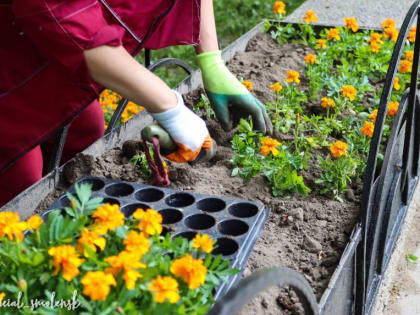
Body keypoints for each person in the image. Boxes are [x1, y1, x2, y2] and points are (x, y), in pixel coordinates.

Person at [0, 0, 272, 207]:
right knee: (20, 177)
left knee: (85, 131)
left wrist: (211, 60)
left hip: (50, 50)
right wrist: (170, 108)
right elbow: (64, 16)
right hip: (14, 45)